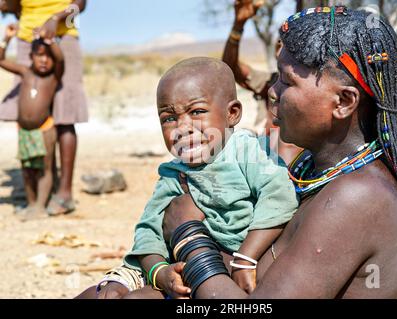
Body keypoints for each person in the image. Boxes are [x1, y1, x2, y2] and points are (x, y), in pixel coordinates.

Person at [161, 6, 397, 299]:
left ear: (343, 102)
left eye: (286, 81)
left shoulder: (359, 196)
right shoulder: (313, 170)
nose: (272, 92)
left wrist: (189, 236)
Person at [77, 57, 299, 299]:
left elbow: (279, 196)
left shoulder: (249, 152)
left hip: (241, 268)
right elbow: (149, 231)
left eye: (197, 112)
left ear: (232, 114)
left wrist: (247, 257)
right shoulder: (174, 174)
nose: (182, 127)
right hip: (188, 270)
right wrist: (161, 273)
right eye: (169, 118)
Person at [0, 0, 88, 216]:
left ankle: (64, 193)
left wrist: (56, 19)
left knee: (65, 114)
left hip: (63, 35)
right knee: (30, 111)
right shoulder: (27, 61)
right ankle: (42, 189)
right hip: (27, 38)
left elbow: (81, 3)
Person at [223, 0, 302, 164]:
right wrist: (238, 25)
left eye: (287, 44)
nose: (282, 49)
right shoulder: (269, 81)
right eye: (278, 43)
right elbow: (230, 68)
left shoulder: (313, 84)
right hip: (266, 165)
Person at [0, 24, 63, 218]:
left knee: (44, 169)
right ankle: (31, 203)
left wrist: (49, 40)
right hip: (24, 131)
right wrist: (7, 39)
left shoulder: (53, 77)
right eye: (39, 55)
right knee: (27, 169)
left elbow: (60, 58)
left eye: (48, 56)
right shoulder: (25, 73)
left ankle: (40, 207)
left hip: (44, 129)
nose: (44, 60)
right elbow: (0, 59)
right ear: (31, 57)